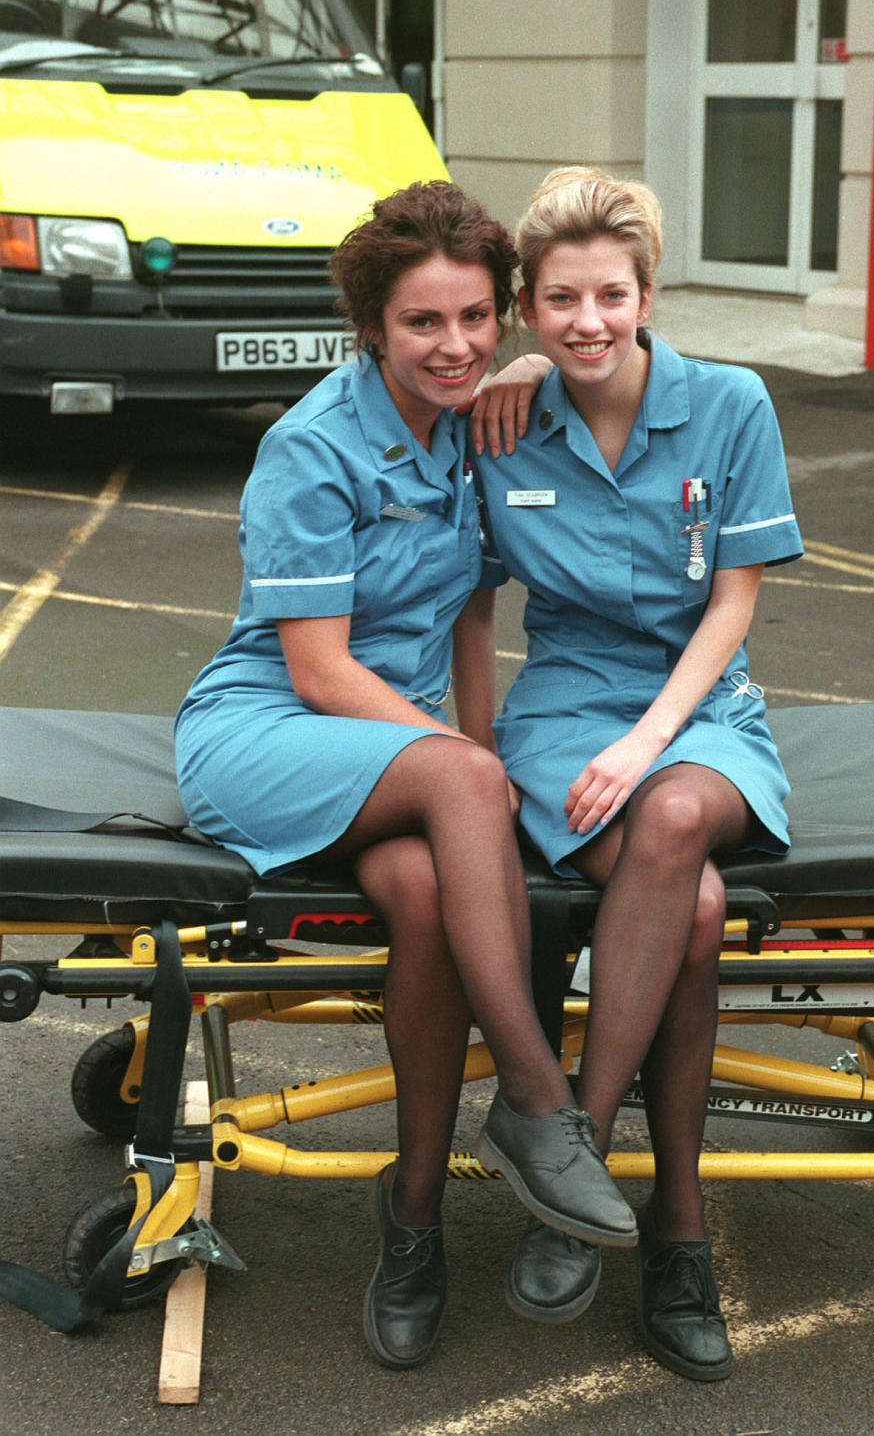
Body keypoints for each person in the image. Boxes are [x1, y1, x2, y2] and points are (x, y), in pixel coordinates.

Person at [174, 180, 635, 1372]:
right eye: (424, 323)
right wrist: (468, 771)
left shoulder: (475, 425)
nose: (457, 345)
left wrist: (533, 371)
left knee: (436, 894)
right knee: (472, 784)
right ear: (371, 326)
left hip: (390, 756)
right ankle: (541, 1102)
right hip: (267, 732)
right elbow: (320, 671)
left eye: (479, 318)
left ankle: (414, 1216)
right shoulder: (311, 447)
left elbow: (476, 624)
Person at [474, 167, 803, 1382]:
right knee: (697, 909)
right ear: (526, 304)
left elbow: (736, 600)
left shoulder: (732, 404)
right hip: (561, 712)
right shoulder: (502, 420)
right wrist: (470, 754)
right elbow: (465, 602)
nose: (588, 321)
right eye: (559, 299)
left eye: (611, 294)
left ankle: (572, 1145)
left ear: (649, 293)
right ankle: (675, 1229)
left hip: (699, 712)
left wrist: (650, 732)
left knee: (671, 814)